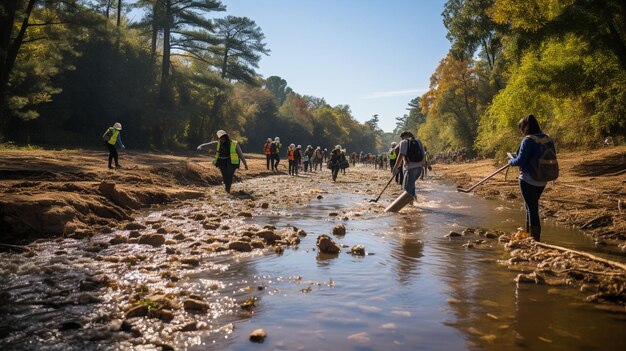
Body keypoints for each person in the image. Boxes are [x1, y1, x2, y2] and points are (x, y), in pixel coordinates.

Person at [508, 115, 551, 241]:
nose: (522, 131)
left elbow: (521, 160)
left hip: (528, 178)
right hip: (543, 178)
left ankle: (534, 239)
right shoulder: (547, 138)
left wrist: (511, 161)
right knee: (530, 206)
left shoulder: (528, 140)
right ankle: (529, 235)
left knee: (531, 208)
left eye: (522, 128)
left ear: (526, 127)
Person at [393, 131, 425, 200]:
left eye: (402, 137)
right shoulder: (418, 141)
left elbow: (400, 155)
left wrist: (395, 167)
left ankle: (410, 205)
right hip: (419, 168)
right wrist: (422, 165)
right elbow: (423, 154)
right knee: (411, 185)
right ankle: (415, 202)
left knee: (407, 189)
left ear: (405, 136)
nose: (401, 139)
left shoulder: (404, 142)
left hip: (410, 169)